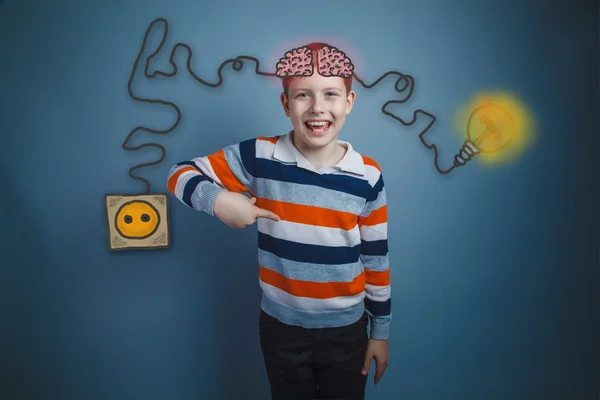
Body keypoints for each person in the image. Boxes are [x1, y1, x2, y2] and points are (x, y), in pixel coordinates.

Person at [166, 42, 391, 400]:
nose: (318, 107)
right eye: (303, 95)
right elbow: (179, 174)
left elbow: (376, 259)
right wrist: (220, 200)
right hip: (281, 329)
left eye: (331, 94)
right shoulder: (259, 156)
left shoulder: (368, 175)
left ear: (348, 102)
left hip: (347, 330)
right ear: (286, 104)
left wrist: (379, 331)